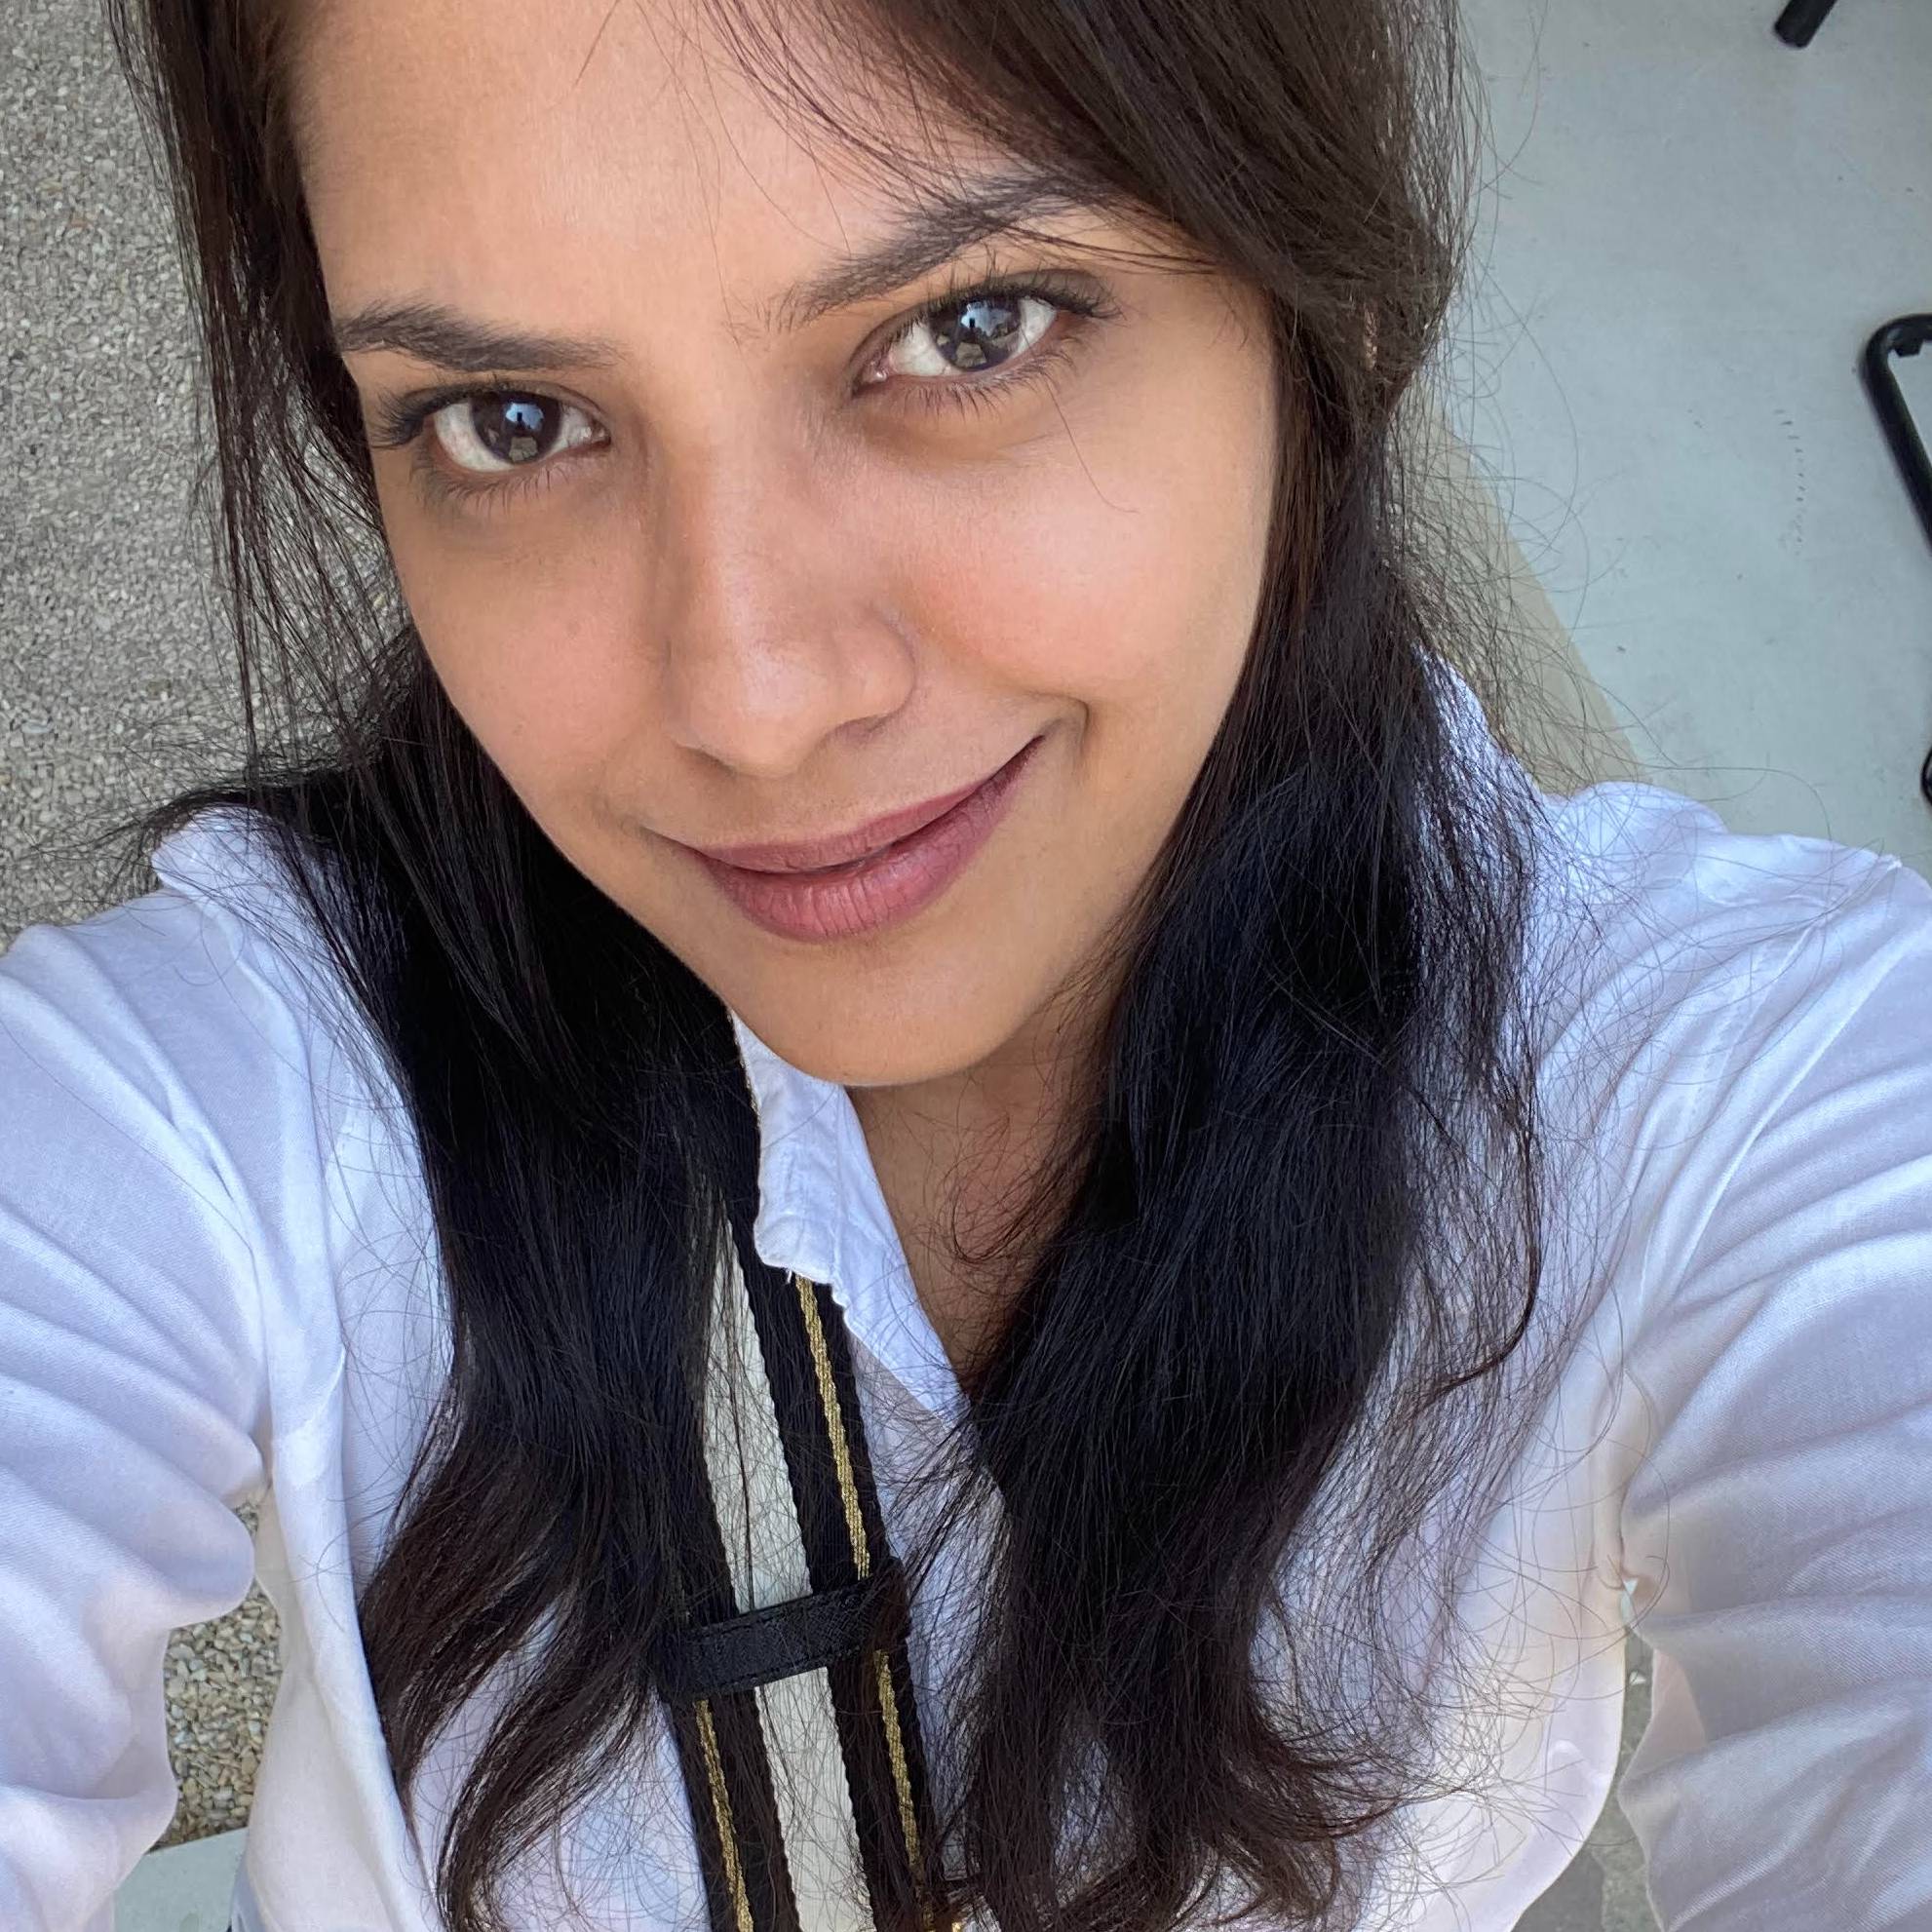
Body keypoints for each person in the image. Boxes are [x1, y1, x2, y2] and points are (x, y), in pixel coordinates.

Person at [3, 0, 1930, 1925]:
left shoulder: (1736, 1103)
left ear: (1320, 309)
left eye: (967, 328)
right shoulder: (212, 1099)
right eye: (513, 421)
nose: (753, 702)